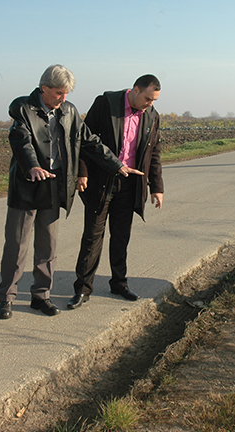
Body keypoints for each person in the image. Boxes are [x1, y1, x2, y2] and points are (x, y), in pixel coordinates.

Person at [0, 65, 138, 319]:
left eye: (67, 93)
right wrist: (33, 167)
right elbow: (21, 141)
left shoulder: (69, 111)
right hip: (27, 185)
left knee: (47, 246)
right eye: (59, 93)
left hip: (54, 184)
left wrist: (117, 165)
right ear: (44, 89)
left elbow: (90, 141)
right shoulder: (23, 110)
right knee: (17, 246)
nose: (63, 98)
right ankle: (6, 297)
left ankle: (41, 296)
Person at [67, 74, 164, 310]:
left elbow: (155, 152)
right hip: (102, 180)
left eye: (154, 100)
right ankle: (83, 288)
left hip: (130, 183)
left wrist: (156, 187)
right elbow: (84, 139)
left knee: (121, 236)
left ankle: (119, 283)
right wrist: (82, 171)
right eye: (148, 98)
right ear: (135, 89)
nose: (150, 104)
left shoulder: (151, 115)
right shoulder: (106, 104)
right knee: (92, 236)